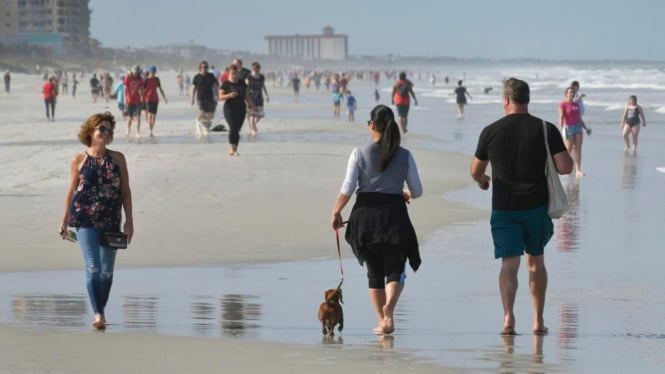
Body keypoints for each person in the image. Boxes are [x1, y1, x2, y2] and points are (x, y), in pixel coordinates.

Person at [470, 78, 573, 336]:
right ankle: (538, 321)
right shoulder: (544, 128)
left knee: (508, 264)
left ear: (506, 100)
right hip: (535, 207)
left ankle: (508, 319)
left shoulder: (490, 131)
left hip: (504, 208)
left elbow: (476, 170)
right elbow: (565, 167)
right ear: (528, 99)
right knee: (536, 261)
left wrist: (483, 181)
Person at [331, 104, 423, 336]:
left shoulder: (358, 153)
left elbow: (348, 188)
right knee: (395, 268)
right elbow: (417, 190)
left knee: (374, 272)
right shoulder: (405, 155)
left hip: (365, 218)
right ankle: (390, 309)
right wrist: (406, 193)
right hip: (394, 216)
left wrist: (336, 211)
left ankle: (383, 321)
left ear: (372, 125)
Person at [59, 111, 134, 330]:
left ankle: (101, 308)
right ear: (91, 130)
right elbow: (71, 191)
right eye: (102, 128)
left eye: (110, 130)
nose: (106, 133)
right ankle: (99, 314)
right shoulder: (78, 160)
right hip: (84, 219)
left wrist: (130, 221)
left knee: (107, 270)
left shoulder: (118, 158)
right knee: (93, 267)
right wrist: (64, 221)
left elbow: (126, 192)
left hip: (111, 220)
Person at [218, 64, 255, 156]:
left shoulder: (242, 83)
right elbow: (220, 97)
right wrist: (229, 95)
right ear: (229, 73)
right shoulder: (225, 84)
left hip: (241, 108)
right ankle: (232, 148)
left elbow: (247, 97)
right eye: (232, 74)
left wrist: (253, 106)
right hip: (229, 108)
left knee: (237, 129)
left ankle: (235, 149)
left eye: (236, 73)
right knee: (233, 127)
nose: (234, 75)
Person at [558, 86, 591, 177]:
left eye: (573, 93)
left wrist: (586, 128)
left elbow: (579, 118)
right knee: (568, 149)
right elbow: (561, 116)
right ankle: (562, 167)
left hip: (578, 128)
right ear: (566, 94)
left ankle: (578, 170)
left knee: (578, 149)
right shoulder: (562, 104)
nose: (571, 94)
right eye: (569, 92)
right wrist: (560, 127)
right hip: (568, 128)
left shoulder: (576, 104)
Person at [190, 60, 218, 133]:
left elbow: (215, 86)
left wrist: (216, 96)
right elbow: (193, 88)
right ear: (200, 68)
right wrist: (192, 98)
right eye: (202, 67)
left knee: (210, 116)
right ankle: (202, 126)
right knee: (201, 114)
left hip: (210, 98)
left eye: (205, 67)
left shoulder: (211, 76)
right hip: (200, 99)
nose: (204, 68)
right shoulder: (197, 77)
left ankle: (204, 126)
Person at [142, 65, 168, 137]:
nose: (153, 73)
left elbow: (160, 89)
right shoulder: (146, 80)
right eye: (152, 72)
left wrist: (164, 98)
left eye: (154, 72)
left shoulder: (157, 79)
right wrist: (142, 99)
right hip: (148, 99)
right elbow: (143, 91)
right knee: (149, 115)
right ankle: (150, 131)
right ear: (149, 72)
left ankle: (151, 129)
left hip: (155, 99)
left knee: (154, 116)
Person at [246, 62, 269, 135]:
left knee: (260, 114)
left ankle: (253, 124)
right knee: (253, 113)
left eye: (258, 71)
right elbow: (246, 86)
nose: (257, 72)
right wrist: (246, 97)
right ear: (253, 70)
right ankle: (253, 130)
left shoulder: (262, 76)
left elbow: (263, 85)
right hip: (251, 96)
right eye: (256, 71)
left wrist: (267, 95)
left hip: (259, 95)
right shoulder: (249, 77)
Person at [123, 66, 144, 137]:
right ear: (132, 71)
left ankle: (137, 132)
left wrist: (142, 98)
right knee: (130, 117)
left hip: (137, 101)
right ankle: (128, 131)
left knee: (138, 117)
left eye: (137, 73)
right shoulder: (128, 77)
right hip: (129, 101)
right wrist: (125, 99)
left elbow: (141, 89)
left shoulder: (139, 78)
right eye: (135, 72)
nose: (136, 74)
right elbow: (125, 88)